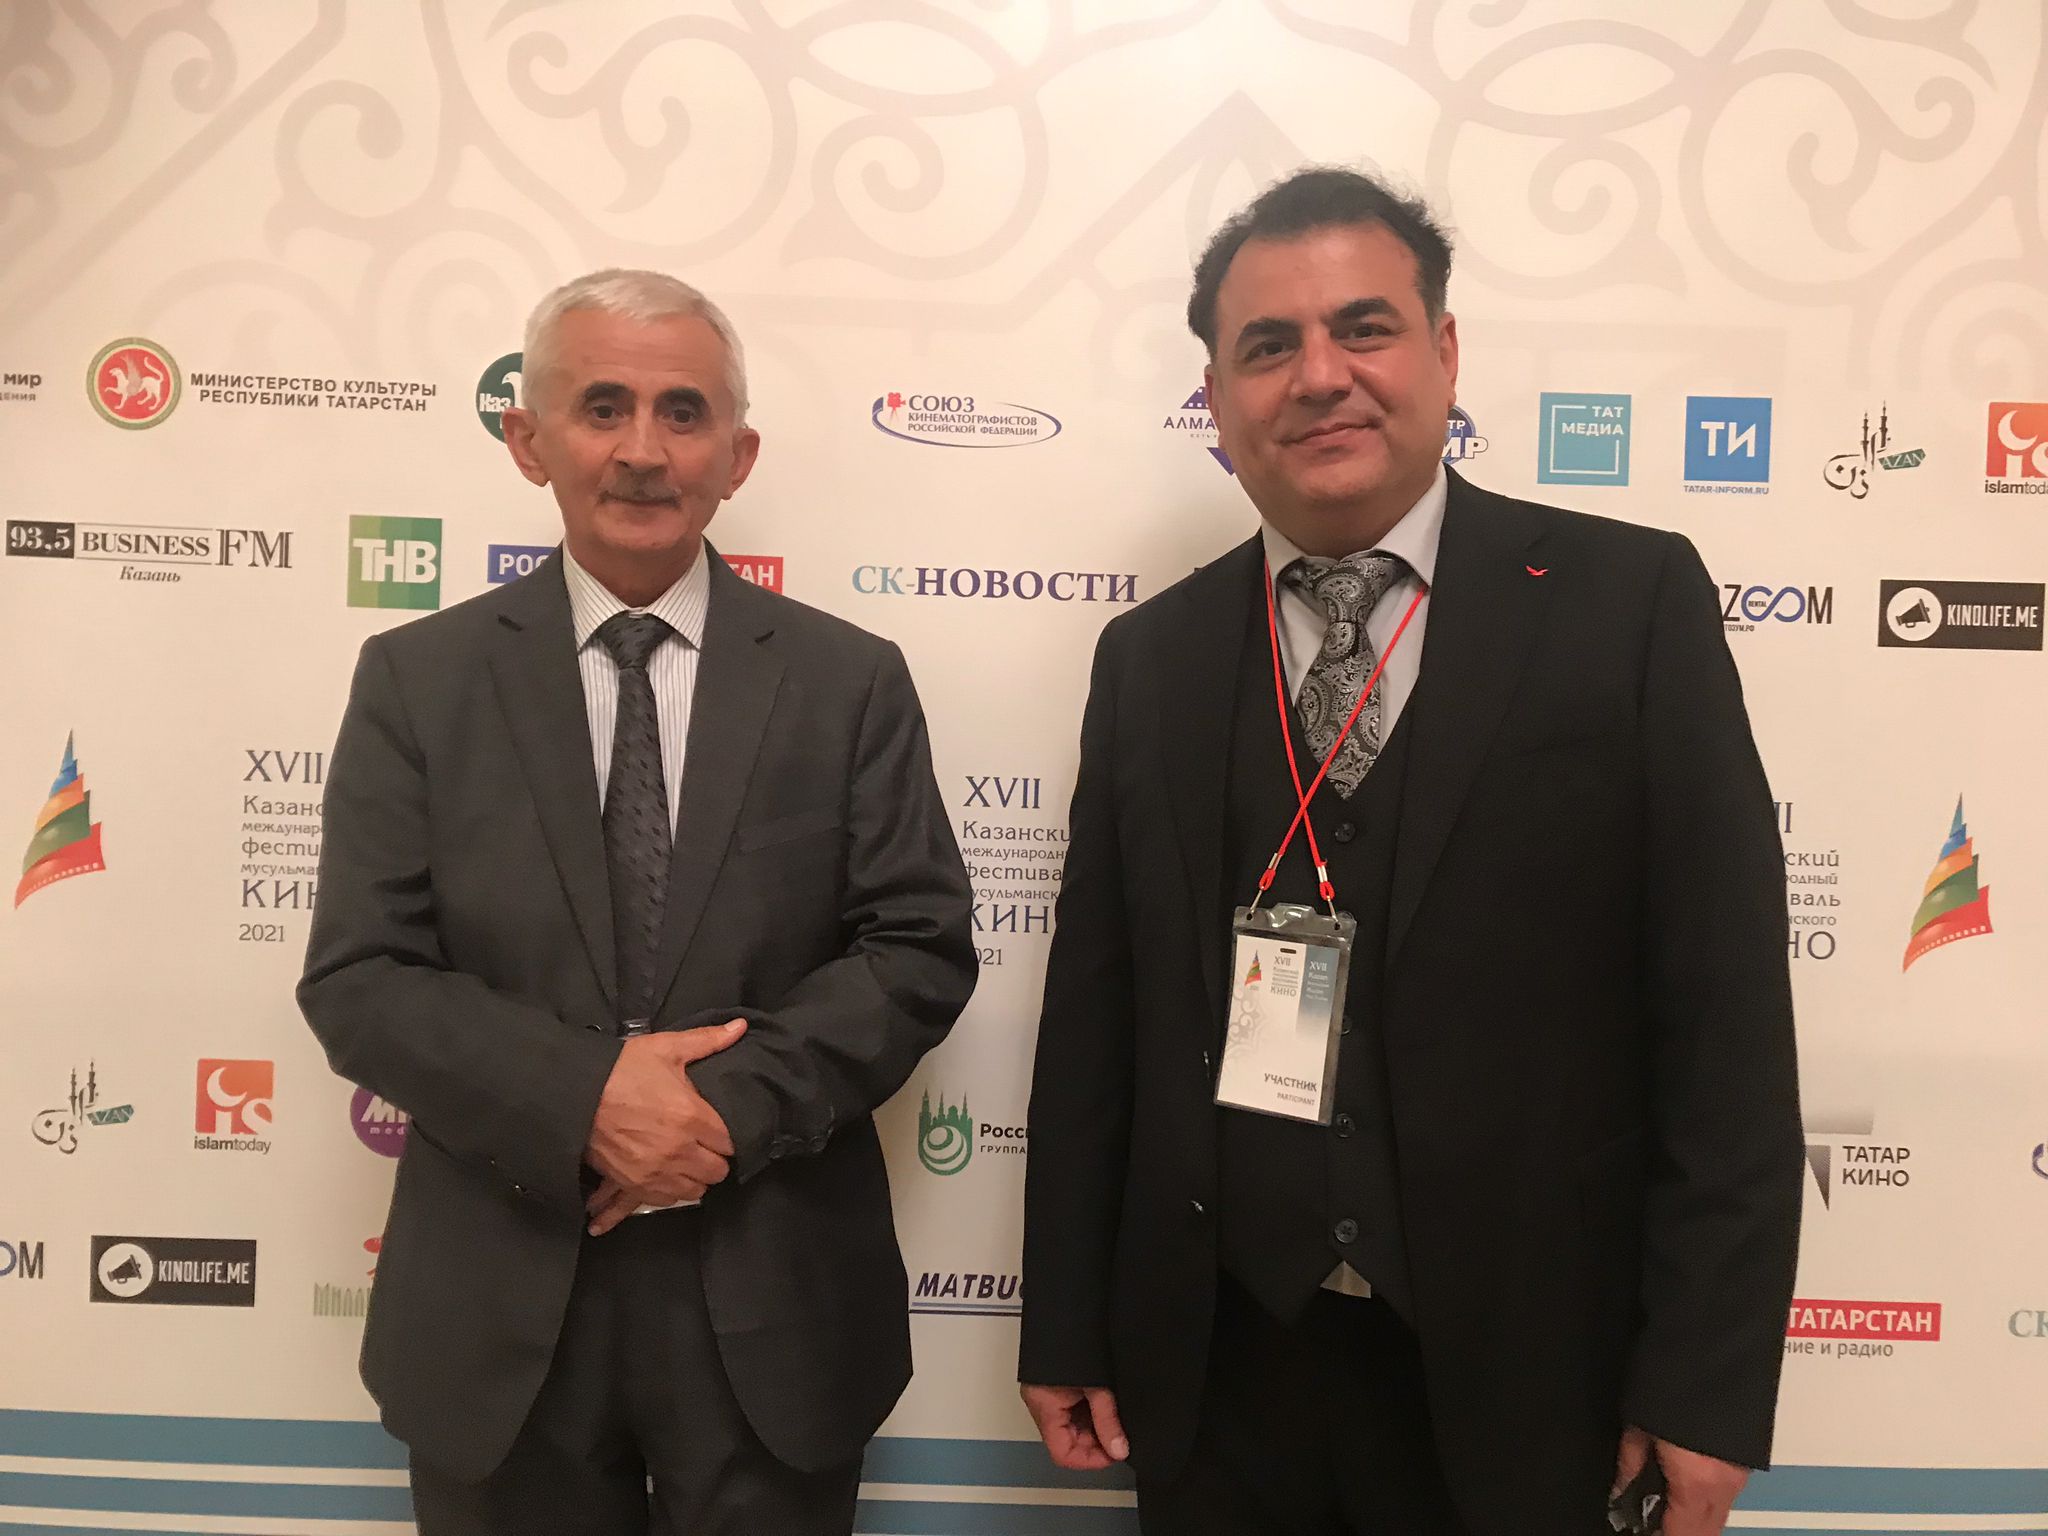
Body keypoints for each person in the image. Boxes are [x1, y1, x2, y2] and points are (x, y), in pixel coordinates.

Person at [1018, 168, 1802, 1536]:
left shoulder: (1627, 608)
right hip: (1219, 1369)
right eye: (1268, 346)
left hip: (1533, 1375)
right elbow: (1097, 1022)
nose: (1320, 376)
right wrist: (1067, 1319)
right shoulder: (1149, 657)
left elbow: (1724, 1026)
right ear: (1217, 396)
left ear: (1443, 351)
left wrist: (1705, 1382)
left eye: (1363, 328)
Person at [300, 268, 976, 1535]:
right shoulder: (415, 681)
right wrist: (585, 1101)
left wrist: (711, 1113)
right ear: (527, 438)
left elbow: (917, 949)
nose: (643, 450)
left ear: (738, 454)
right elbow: (362, 976)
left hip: (773, 1299)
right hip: (498, 1314)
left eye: (684, 412)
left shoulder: (848, 682)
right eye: (601, 406)